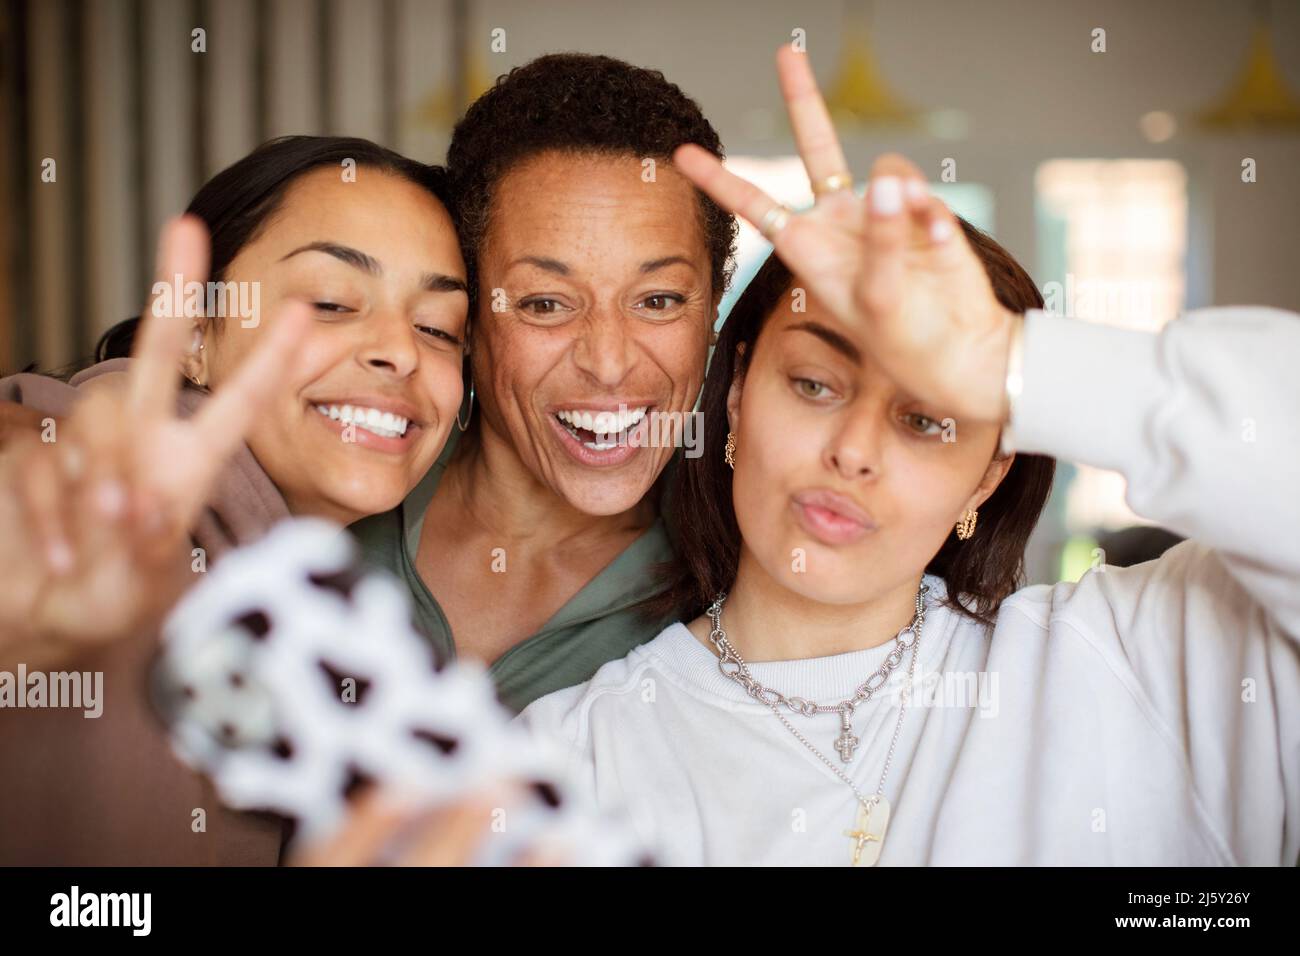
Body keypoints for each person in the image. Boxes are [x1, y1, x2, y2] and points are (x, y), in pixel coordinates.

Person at [515, 47, 1300, 865]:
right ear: (740, 391)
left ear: (993, 469)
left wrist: (1011, 362)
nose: (854, 452)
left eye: (927, 420)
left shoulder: (1145, 665)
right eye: (815, 384)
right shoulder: (571, 765)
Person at [0, 135, 470, 865]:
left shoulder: (329, 624)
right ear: (192, 332)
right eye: (333, 301)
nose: (401, 350)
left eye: (439, 328)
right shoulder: (65, 483)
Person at [350, 53, 738, 712]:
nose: (609, 363)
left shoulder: (748, 563)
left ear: (713, 311)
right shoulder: (343, 495)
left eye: (659, 299)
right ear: (467, 314)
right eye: (544, 304)